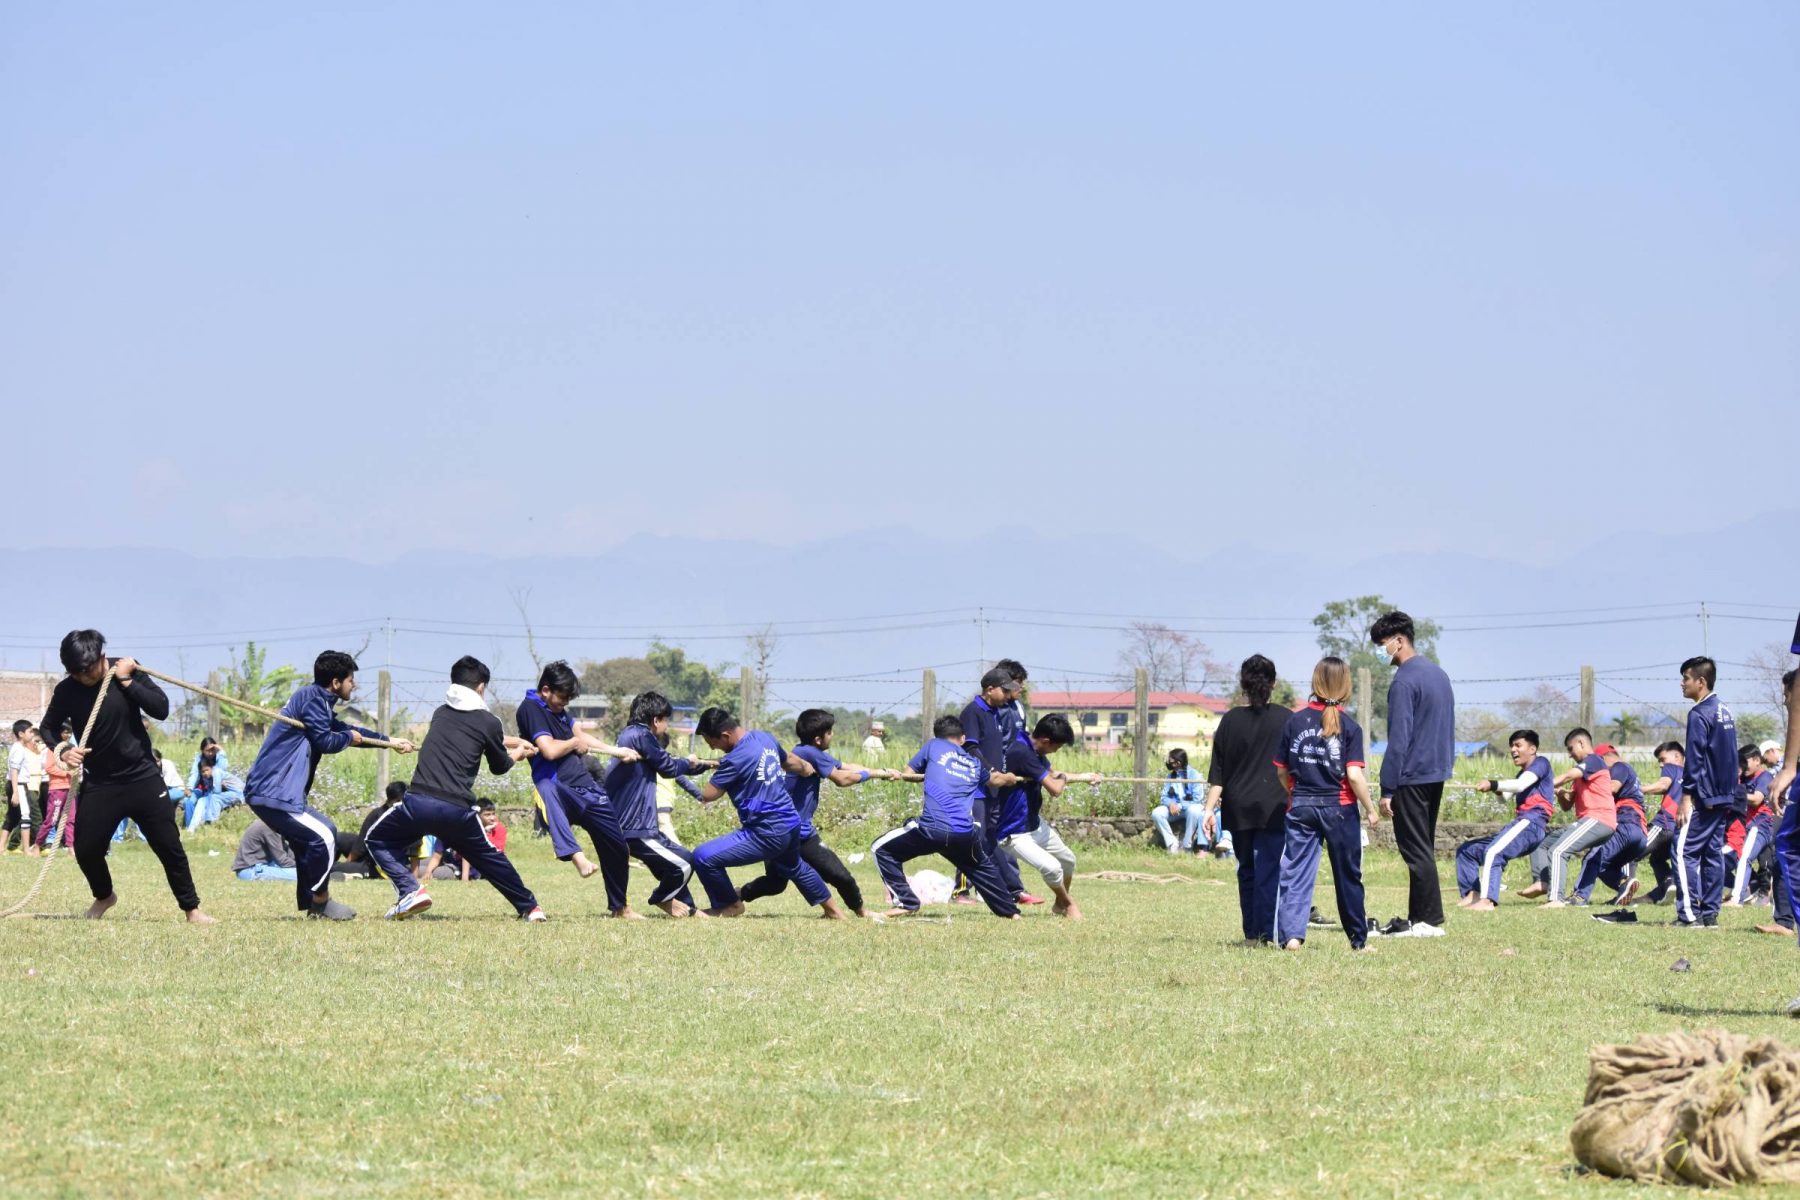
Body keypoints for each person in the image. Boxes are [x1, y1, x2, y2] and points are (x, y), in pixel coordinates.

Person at [37, 630, 212, 922]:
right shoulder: (67, 689)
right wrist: (64, 750)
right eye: (76, 673)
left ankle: (192, 909)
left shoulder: (126, 670)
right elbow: (47, 728)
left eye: (88, 670)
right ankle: (104, 895)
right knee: (86, 849)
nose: (83, 677)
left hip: (143, 778)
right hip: (100, 783)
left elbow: (161, 709)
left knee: (169, 846)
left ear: (102, 657)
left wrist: (127, 680)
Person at [364, 656, 544, 920]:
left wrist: (515, 742)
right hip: (457, 810)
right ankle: (531, 908)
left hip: (419, 803)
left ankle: (410, 890)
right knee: (490, 858)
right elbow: (499, 766)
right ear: (481, 687)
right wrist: (519, 753)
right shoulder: (489, 722)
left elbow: (470, 734)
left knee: (376, 839)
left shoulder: (440, 713)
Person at [242, 650, 414, 922]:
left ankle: (313, 905)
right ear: (336, 682)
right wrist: (348, 738)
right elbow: (326, 740)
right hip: (272, 791)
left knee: (308, 842)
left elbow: (343, 730)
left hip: (277, 793)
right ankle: (321, 902)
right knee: (325, 836)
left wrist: (390, 741)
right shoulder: (312, 700)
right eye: (350, 680)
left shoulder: (317, 701)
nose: (354, 685)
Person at [687, 707, 845, 919]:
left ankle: (730, 905)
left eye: (711, 742)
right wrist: (806, 768)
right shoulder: (764, 738)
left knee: (702, 856)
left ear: (725, 735)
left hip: (765, 832)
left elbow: (708, 795)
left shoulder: (734, 759)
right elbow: (790, 761)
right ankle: (835, 912)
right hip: (791, 822)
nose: (713, 747)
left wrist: (687, 771)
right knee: (795, 867)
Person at [514, 661, 642, 917]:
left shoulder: (560, 710)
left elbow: (581, 736)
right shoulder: (531, 708)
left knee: (617, 845)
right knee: (547, 793)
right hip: (557, 784)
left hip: (584, 785)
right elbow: (549, 750)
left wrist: (617, 751)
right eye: (562, 698)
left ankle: (620, 908)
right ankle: (577, 857)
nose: (565, 704)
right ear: (546, 690)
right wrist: (573, 744)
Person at [739, 708, 894, 918]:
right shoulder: (809, 754)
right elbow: (842, 779)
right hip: (798, 833)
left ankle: (737, 895)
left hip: (782, 830)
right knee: (841, 876)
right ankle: (861, 912)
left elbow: (846, 766)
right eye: (830, 732)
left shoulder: (807, 752)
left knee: (775, 883)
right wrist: (873, 774)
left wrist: (883, 772)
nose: (832, 735)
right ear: (818, 739)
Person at [1273, 657, 1376, 951]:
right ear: (1346, 686)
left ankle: (1292, 937)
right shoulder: (1350, 727)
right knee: (1348, 876)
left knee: (1295, 872)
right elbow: (1354, 776)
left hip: (1301, 806)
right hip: (1340, 809)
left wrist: (1295, 793)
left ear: (1316, 682)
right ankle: (1358, 942)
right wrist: (1370, 809)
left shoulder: (1294, 721)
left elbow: (1281, 771)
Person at [873, 715, 1021, 918]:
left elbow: (908, 774)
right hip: (965, 833)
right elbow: (995, 780)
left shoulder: (933, 745)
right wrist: (1009, 778)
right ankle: (1012, 913)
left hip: (932, 830)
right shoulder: (974, 762)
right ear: (962, 738)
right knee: (982, 869)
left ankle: (906, 902)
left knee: (880, 849)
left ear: (938, 736)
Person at [1369, 611, 1455, 939]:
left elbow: (1399, 739)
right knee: (1424, 845)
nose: (1380, 651)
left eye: (1382, 644)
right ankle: (1417, 917)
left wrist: (1388, 788)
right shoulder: (1439, 675)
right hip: (1436, 772)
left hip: (1411, 776)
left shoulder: (1404, 681)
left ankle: (1429, 920)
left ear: (1399, 640)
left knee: (1415, 850)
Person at [1202, 655, 1289, 945]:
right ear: (1274, 683)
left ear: (1243, 684)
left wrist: (1208, 810)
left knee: (1247, 870)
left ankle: (1251, 935)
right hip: (1275, 806)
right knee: (1269, 871)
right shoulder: (1287, 719)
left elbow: (1218, 774)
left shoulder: (1230, 720)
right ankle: (1265, 933)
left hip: (1237, 807)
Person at [603, 690, 713, 916]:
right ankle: (661, 898)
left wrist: (702, 765)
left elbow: (667, 763)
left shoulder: (630, 735)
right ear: (656, 720)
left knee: (668, 865)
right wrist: (689, 762)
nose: (667, 725)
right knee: (685, 862)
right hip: (635, 826)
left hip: (632, 824)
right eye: (666, 720)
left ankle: (689, 910)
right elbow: (669, 767)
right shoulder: (642, 735)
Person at [996, 713, 1100, 920]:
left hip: (1034, 825)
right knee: (1052, 868)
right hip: (1013, 832)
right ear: (1045, 740)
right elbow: (1055, 788)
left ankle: (1059, 904)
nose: (1056, 751)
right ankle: (1069, 904)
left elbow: (1052, 774)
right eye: (1057, 747)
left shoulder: (1030, 746)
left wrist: (1084, 777)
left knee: (1068, 861)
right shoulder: (1022, 753)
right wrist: (1064, 778)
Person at [956, 666, 1033, 904]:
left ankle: (1007, 889)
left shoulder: (995, 713)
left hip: (994, 787)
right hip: (977, 788)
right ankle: (960, 891)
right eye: (1005, 690)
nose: (1008, 695)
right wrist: (990, 772)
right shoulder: (973, 712)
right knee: (974, 837)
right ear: (990, 689)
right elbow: (970, 748)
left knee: (990, 839)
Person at [1456, 730, 1554, 910]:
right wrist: (1495, 790)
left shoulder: (1541, 763)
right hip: (1521, 824)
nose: (1513, 750)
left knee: (1494, 852)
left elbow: (1520, 785)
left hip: (1531, 824)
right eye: (1511, 746)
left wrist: (1493, 783)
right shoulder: (1521, 774)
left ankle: (1487, 901)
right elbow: (1504, 798)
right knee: (1467, 851)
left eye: (1518, 745)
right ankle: (1473, 893)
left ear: (1532, 749)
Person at [1674, 655, 1739, 929]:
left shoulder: (1700, 713)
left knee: (1682, 851)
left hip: (1704, 795)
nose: (1682, 683)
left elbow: (1696, 756)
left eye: (1686, 678)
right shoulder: (1725, 710)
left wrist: (1686, 796)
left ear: (1701, 681)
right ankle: (1710, 914)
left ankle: (1689, 916)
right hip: (1724, 794)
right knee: (1712, 853)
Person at [1521, 728, 1617, 907]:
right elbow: (1567, 806)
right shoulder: (1582, 776)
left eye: (1571, 749)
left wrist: (1537, 784)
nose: (1570, 755)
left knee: (1558, 851)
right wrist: (1560, 794)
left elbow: (1567, 775)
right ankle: (1542, 882)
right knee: (1541, 843)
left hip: (1599, 819)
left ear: (1581, 743)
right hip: (1588, 821)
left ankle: (1556, 899)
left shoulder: (1594, 760)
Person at [1576, 744, 1648, 911]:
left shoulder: (1619, 766)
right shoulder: (1630, 772)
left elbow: (1612, 788)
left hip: (1626, 823)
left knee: (1593, 857)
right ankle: (1624, 885)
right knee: (1604, 866)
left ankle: (1579, 897)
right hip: (1640, 834)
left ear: (1603, 759)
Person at [1632, 742, 1686, 907]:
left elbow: (1663, 785)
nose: (1661, 765)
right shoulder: (1693, 774)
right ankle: (1669, 886)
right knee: (1657, 859)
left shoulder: (1671, 768)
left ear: (1677, 756)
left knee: (1632, 853)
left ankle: (1622, 891)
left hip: (1664, 824)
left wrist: (1635, 789)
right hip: (1682, 828)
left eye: (1662, 759)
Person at [1727, 745, 1775, 907]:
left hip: (1760, 825)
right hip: (1744, 827)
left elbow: (1756, 799)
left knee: (1744, 858)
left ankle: (1736, 899)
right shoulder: (1743, 778)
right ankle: (1750, 887)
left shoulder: (1765, 776)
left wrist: (1734, 792)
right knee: (1724, 857)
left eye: (1744, 762)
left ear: (1756, 760)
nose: (1742, 766)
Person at [1153, 749, 1207, 855]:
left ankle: (1187, 846)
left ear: (1178, 762)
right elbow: (1164, 797)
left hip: (1189, 808)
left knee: (1195, 811)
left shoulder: (1195, 775)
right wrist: (1170, 804)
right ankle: (1172, 843)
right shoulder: (1170, 776)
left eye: (1171, 761)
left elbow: (1197, 799)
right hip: (1173, 810)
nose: (1169, 763)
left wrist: (1179, 806)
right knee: (1157, 813)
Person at [33, 720, 76, 850]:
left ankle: (70, 847)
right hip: (57, 789)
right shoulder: (54, 750)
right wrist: (66, 773)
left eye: (69, 732)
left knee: (70, 819)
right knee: (52, 819)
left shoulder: (71, 748)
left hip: (70, 788)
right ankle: (37, 845)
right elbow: (49, 768)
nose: (67, 735)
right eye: (65, 732)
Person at [184, 737, 241, 829]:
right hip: (201, 787)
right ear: (202, 750)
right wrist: (190, 788)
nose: (210, 753)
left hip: (215, 788)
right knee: (188, 801)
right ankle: (189, 826)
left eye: (212, 750)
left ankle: (197, 826)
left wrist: (221, 751)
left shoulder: (219, 757)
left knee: (204, 801)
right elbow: (194, 774)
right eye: (207, 751)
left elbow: (221, 771)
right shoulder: (199, 759)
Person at [6, 720, 41, 855]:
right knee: (25, 816)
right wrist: (16, 791)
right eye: (30, 731)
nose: (32, 734)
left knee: (13, 817)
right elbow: (14, 770)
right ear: (21, 734)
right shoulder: (19, 749)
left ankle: (3, 847)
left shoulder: (19, 747)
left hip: (20, 785)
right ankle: (26, 849)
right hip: (19, 785)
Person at [186, 759, 246, 832]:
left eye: (207, 770)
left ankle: (211, 821)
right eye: (203, 772)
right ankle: (192, 828)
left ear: (212, 767)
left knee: (213, 798)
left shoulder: (217, 772)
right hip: (229, 793)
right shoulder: (209, 777)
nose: (205, 773)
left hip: (238, 793)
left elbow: (217, 791)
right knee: (202, 800)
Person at [233, 817, 298, 882]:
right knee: (300, 875)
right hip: (250, 870)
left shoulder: (271, 823)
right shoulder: (269, 827)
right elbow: (282, 860)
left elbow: (286, 851)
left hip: (260, 865)